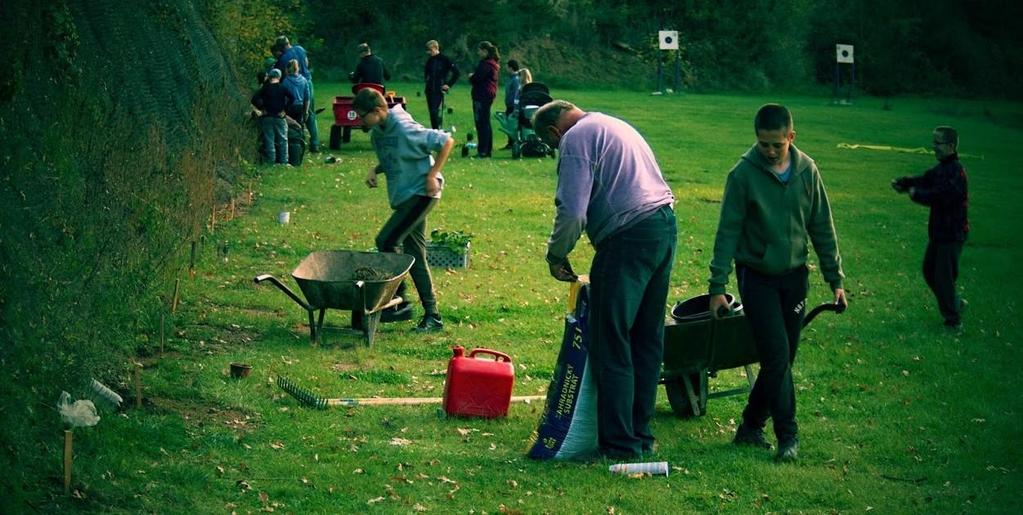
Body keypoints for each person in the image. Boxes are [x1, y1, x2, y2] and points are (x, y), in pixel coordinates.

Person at [532, 100, 677, 459]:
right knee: (646, 339)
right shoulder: (612, 123)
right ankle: (640, 434)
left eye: (552, 146)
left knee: (611, 340)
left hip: (627, 237)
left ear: (554, 132)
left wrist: (555, 254)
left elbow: (572, 210)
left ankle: (620, 444)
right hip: (662, 226)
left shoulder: (575, 138)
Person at [708, 104, 847, 462]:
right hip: (756, 277)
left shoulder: (807, 171)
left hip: (795, 277)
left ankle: (750, 427)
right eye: (763, 144)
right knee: (777, 357)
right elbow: (727, 232)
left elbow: (822, 227)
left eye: (776, 145)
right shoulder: (742, 175)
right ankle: (788, 436)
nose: (769, 151)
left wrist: (836, 280)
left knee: (782, 360)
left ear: (791, 138)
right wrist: (717, 287)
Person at [353, 88, 455, 332]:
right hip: (405, 196)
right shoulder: (379, 132)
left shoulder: (404, 126)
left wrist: (432, 175)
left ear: (378, 111)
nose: (359, 120)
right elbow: (395, 156)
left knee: (387, 239)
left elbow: (446, 141)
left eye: (361, 115)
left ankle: (397, 304)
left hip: (422, 193)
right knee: (415, 256)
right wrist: (374, 171)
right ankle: (433, 316)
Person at [891, 126, 969, 329]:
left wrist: (916, 195)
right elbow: (925, 179)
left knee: (943, 277)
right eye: (933, 142)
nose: (934, 147)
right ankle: (956, 303)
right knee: (929, 271)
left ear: (951, 146)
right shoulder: (941, 169)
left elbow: (940, 197)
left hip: (951, 235)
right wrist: (905, 183)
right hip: (938, 234)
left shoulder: (956, 172)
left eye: (938, 143)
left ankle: (953, 320)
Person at [274, 36, 320, 152]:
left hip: (292, 84)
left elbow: (280, 74)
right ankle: (315, 143)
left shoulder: (283, 59)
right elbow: (306, 62)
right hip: (307, 81)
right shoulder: (300, 49)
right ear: (288, 43)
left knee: (291, 114)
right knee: (310, 113)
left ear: (280, 47)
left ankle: (296, 142)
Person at [250, 68, 294, 165]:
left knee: (269, 139)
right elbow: (292, 98)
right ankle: (284, 161)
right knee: (283, 139)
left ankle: (271, 161)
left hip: (267, 116)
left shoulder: (265, 88)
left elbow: (254, 99)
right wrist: (285, 109)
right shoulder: (282, 88)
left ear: (269, 77)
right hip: (279, 116)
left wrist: (262, 108)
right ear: (279, 77)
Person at [468, 41, 500, 158]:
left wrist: (471, 76)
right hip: (488, 95)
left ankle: (482, 150)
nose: (478, 52)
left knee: (481, 123)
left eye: (480, 50)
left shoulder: (485, 64)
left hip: (481, 95)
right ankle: (487, 149)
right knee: (486, 123)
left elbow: (476, 78)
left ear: (485, 51)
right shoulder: (493, 64)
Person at [423, 39, 460, 130]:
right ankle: (434, 130)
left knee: (434, 111)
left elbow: (457, 73)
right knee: (432, 113)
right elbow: (426, 74)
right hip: (429, 90)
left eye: (430, 50)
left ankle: (437, 131)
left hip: (439, 90)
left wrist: (448, 84)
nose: (429, 52)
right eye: (428, 50)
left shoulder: (445, 59)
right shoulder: (429, 60)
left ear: (436, 48)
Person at [501, 59, 521, 150]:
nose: (506, 69)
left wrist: (514, 105)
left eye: (507, 67)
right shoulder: (511, 79)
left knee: (511, 124)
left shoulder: (515, 79)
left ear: (511, 68)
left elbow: (516, 93)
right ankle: (510, 142)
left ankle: (512, 142)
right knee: (509, 124)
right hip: (509, 104)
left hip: (513, 106)